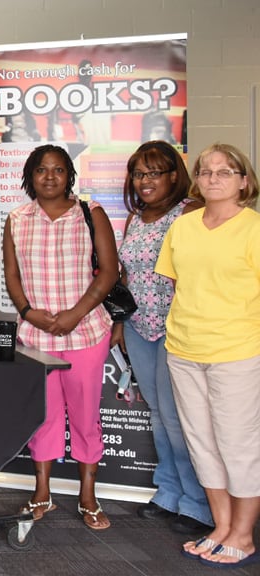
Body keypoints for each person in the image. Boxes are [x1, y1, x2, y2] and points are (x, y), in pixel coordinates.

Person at [2, 144, 117, 531]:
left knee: (85, 416)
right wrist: (29, 312)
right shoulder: (17, 218)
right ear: (30, 177)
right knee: (45, 416)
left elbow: (108, 272)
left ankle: (88, 495)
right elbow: (12, 276)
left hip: (86, 331)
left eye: (58, 170)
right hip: (36, 335)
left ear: (70, 175)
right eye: (41, 170)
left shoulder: (91, 213)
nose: (49, 177)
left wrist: (74, 314)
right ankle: (42, 491)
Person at [156, 143, 260, 568]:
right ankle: (221, 525)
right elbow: (180, 286)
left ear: (244, 181)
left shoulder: (253, 228)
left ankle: (244, 534)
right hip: (183, 348)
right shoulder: (184, 226)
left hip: (237, 351)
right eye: (206, 171)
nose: (213, 178)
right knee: (200, 443)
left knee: (237, 445)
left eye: (225, 171)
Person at [109, 141, 210, 535]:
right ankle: (168, 492)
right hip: (139, 328)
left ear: (174, 176)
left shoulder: (190, 213)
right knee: (156, 414)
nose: (145, 181)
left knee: (178, 417)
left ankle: (198, 502)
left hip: (177, 330)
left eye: (154, 172)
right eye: (139, 173)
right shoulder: (136, 218)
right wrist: (120, 324)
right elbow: (127, 276)